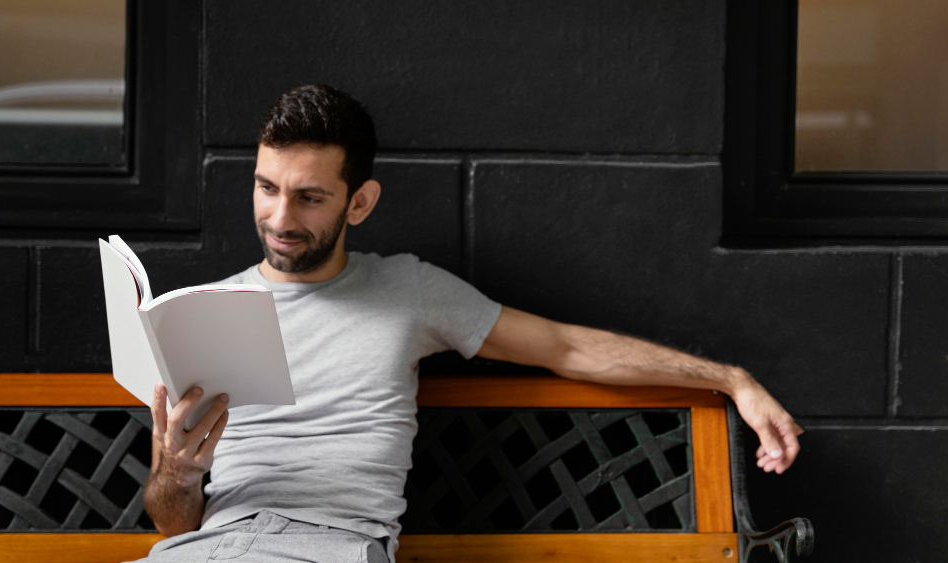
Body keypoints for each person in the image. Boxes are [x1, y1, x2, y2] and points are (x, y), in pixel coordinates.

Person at [136, 85, 802, 563]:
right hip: (210, 546)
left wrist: (729, 379)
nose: (281, 217)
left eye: (310, 197)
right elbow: (172, 520)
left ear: (359, 202)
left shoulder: (407, 289)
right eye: (267, 187)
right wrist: (177, 471)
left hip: (334, 547)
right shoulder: (201, 314)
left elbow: (566, 346)